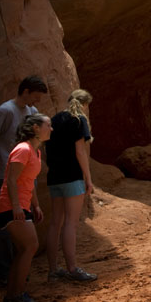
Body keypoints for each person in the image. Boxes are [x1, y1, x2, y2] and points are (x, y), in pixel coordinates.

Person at [0, 76, 48, 287]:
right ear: (25, 91)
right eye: (35, 97)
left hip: (26, 174)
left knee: (23, 224)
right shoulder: (5, 111)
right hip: (5, 173)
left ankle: (18, 270)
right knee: (8, 225)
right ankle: (3, 271)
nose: (36, 102)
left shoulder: (31, 112)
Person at [0, 112, 52, 302]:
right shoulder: (23, 149)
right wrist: (18, 206)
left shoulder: (35, 151)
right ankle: (16, 295)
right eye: (48, 125)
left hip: (21, 205)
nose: (51, 129)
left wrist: (35, 205)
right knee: (30, 246)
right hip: (10, 207)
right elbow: (11, 180)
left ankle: (13, 295)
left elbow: (29, 182)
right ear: (36, 128)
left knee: (23, 250)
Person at [45, 89, 97, 283]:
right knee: (71, 223)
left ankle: (53, 270)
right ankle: (72, 268)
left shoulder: (55, 119)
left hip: (54, 177)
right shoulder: (79, 120)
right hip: (72, 177)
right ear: (85, 104)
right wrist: (88, 178)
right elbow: (80, 151)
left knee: (55, 223)